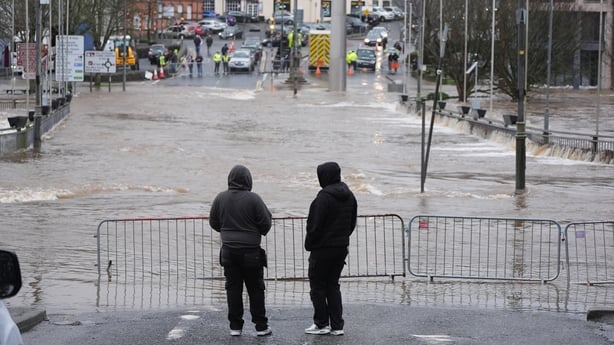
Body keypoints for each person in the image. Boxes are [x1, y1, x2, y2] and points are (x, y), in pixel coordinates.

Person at [209, 165, 273, 337]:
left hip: (228, 251)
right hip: (251, 252)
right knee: (256, 289)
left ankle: (235, 327)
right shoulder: (254, 199)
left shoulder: (220, 198)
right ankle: (261, 326)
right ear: (248, 180)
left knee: (233, 289)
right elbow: (266, 224)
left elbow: (213, 222)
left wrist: (227, 231)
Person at [304, 162, 357, 336]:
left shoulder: (322, 198)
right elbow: (351, 223)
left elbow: (314, 226)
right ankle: (337, 325)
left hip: (322, 249)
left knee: (318, 286)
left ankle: (321, 323)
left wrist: (310, 244)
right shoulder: (350, 196)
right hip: (341, 247)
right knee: (333, 285)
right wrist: (342, 238)